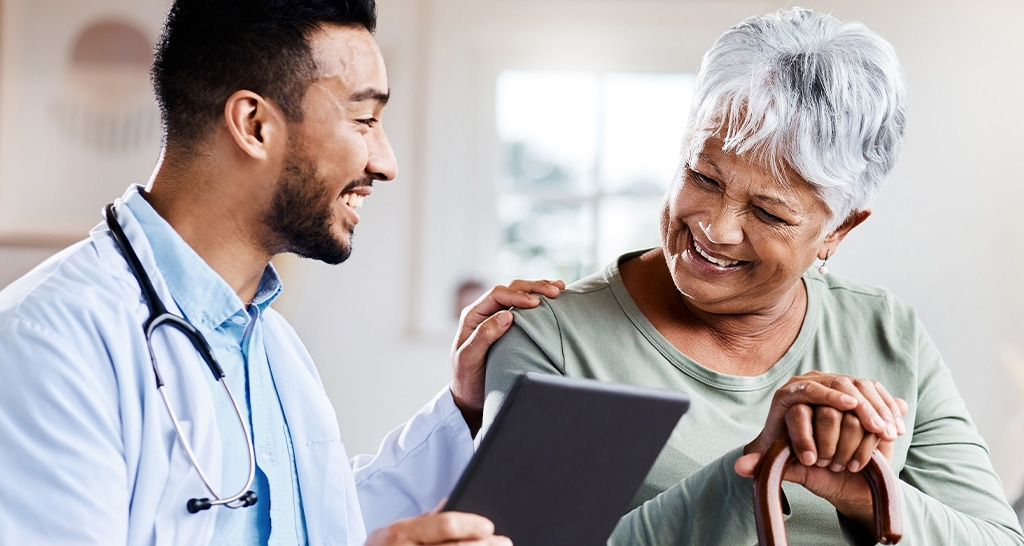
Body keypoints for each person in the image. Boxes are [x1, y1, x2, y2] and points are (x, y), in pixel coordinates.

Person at [0, 1, 566, 544]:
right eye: (364, 120)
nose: (385, 162)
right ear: (255, 125)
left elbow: (320, 526)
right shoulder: (46, 342)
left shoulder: (269, 342)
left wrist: (464, 408)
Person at [483, 7, 1024, 545]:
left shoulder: (886, 330)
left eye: (768, 213)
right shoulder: (553, 339)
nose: (716, 229)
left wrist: (865, 493)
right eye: (702, 176)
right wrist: (754, 469)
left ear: (840, 230)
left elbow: (998, 540)